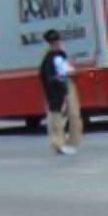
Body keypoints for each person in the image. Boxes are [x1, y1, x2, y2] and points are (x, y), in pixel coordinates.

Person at [38, 28, 82, 157]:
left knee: (73, 115)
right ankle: (58, 144)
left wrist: (70, 71)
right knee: (56, 117)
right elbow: (46, 76)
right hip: (55, 89)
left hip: (66, 85)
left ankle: (72, 142)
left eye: (57, 41)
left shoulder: (61, 55)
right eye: (53, 43)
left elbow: (66, 68)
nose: (56, 44)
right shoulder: (47, 59)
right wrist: (58, 78)